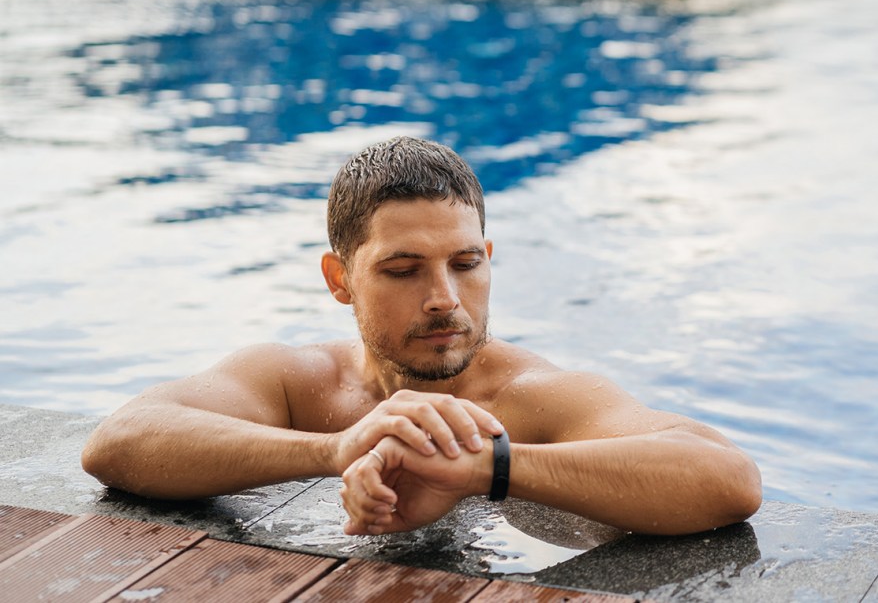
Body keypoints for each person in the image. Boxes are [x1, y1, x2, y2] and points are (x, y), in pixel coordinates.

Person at [81, 136, 761, 536]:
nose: (444, 299)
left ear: (487, 258)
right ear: (340, 279)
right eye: (403, 270)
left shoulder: (530, 399)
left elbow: (728, 478)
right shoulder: (299, 384)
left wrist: (487, 468)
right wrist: (336, 449)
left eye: (465, 264)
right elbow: (119, 441)